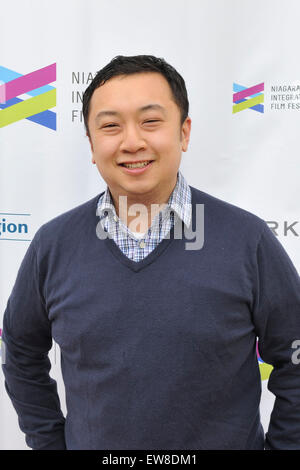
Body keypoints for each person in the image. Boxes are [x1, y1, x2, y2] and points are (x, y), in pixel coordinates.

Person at [2, 54, 300, 450]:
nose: (132, 141)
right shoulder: (52, 246)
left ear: (184, 132)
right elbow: (20, 353)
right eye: (110, 126)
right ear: (91, 145)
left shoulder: (248, 240)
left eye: (150, 121)